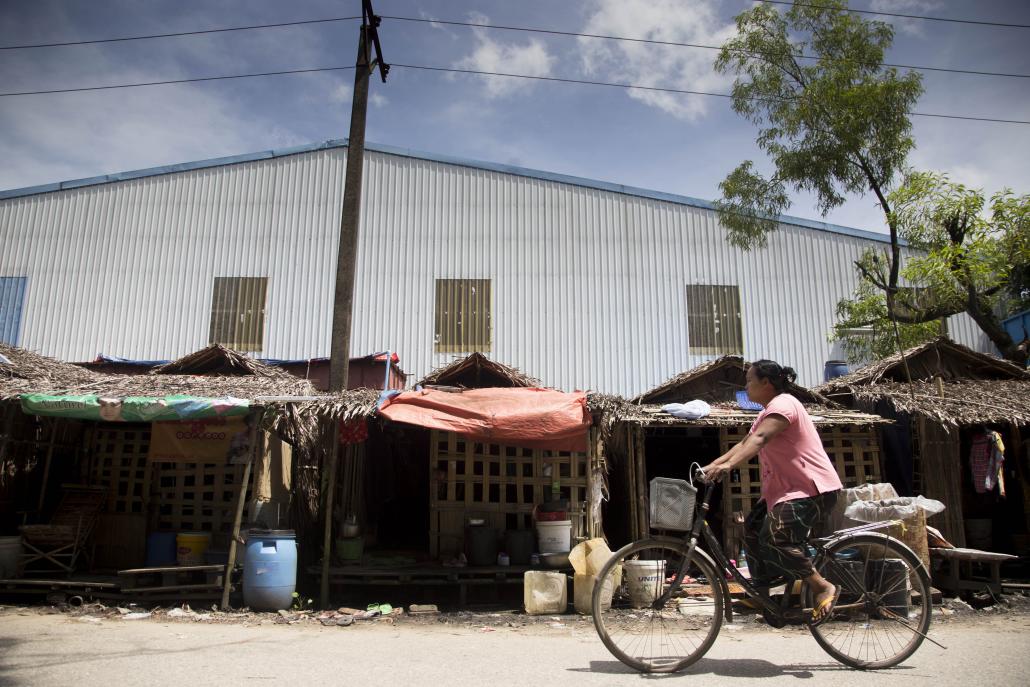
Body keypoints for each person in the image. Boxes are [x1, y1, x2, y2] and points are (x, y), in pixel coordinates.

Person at [704, 360, 843, 622]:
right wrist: (712, 466)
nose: (746, 386)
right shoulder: (765, 412)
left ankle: (821, 585)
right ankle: (763, 593)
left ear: (766, 383)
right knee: (753, 528)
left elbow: (759, 440)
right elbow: (744, 442)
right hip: (785, 492)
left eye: (749, 381)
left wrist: (729, 467)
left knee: (776, 537)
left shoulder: (784, 405)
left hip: (812, 489)